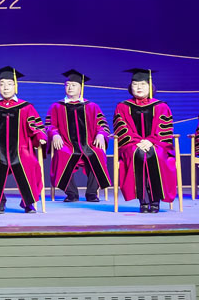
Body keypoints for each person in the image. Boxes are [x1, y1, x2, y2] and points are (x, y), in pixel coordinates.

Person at [0, 67, 47, 214]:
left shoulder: (26, 107)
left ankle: (28, 202)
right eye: (2, 84)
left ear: (15, 86)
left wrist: (40, 136)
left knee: (30, 163)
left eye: (9, 84)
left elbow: (37, 127)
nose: (6, 87)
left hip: (21, 149)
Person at [114, 68, 177, 213]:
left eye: (142, 84)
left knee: (154, 154)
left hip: (158, 144)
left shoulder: (161, 106)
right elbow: (121, 128)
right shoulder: (122, 107)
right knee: (138, 154)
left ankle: (155, 200)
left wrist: (151, 141)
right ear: (130, 87)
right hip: (131, 145)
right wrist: (137, 142)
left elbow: (164, 129)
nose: (139, 87)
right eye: (135, 84)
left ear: (150, 86)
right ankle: (143, 201)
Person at [46, 70, 112, 203]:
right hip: (67, 144)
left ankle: (92, 193)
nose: (70, 87)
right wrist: (55, 134)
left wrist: (101, 134)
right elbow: (49, 124)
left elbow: (103, 124)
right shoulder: (56, 106)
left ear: (81, 87)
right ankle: (71, 194)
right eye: (67, 85)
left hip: (89, 144)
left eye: (73, 85)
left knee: (98, 153)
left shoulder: (92, 106)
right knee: (62, 154)